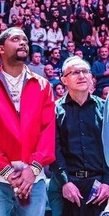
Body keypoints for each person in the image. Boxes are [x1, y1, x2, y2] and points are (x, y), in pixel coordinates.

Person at [0, 27, 55, 216]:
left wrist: (33, 169)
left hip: (34, 178)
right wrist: (7, 172)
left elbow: (48, 130)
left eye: (25, 39)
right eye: (16, 39)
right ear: (1, 48)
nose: (23, 42)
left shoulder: (43, 85)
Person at [48, 56, 109, 216]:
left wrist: (107, 183)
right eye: (75, 72)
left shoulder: (104, 109)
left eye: (85, 72)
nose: (81, 76)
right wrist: (66, 182)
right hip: (66, 186)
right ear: (64, 80)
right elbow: (54, 149)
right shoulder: (53, 110)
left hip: (100, 185)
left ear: (91, 77)